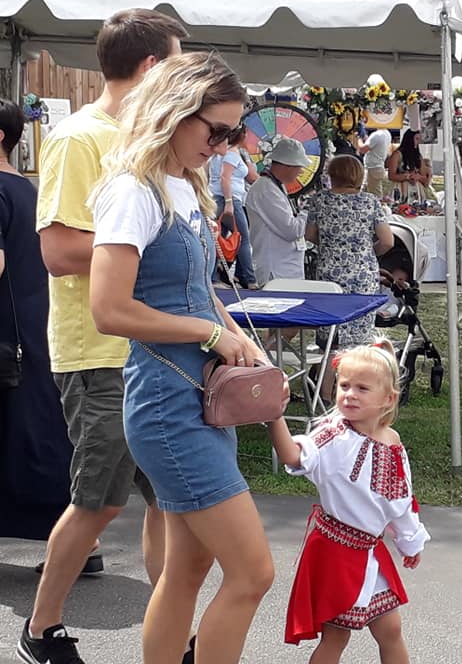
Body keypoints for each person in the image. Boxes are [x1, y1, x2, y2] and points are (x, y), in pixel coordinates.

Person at [88, 52, 274, 664]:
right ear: (173, 110)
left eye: (233, 133)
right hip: (170, 407)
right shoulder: (132, 190)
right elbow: (109, 310)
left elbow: (193, 289)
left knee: (187, 571)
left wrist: (229, 331)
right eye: (214, 130)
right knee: (252, 573)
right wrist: (211, 333)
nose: (223, 145)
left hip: (194, 401)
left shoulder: (180, 185)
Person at [21, 8, 186, 664]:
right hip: (100, 350)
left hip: (153, 347)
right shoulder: (79, 137)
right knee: (98, 503)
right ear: (151, 68)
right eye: (177, 64)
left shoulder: (152, 142)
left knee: (168, 501)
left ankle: (167, 633)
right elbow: (58, 249)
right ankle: (42, 628)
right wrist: (150, 242)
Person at [266, 340, 429, 664]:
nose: (350, 393)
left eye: (362, 388)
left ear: (388, 399)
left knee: (391, 630)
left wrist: (411, 542)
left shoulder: (392, 442)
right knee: (336, 637)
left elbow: (400, 500)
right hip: (335, 553)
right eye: (344, 385)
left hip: (370, 552)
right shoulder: (332, 435)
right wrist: (274, 416)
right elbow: (294, 456)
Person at [0, 100, 72, 544]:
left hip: (7, 332)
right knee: (38, 431)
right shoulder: (30, 189)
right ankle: (78, 538)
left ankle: (74, 537)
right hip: (35, 326)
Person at [305, 154, 394, 347]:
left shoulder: (319, 200)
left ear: (332, 175)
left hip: (329, 273)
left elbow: (310, 235)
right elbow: (388, 241)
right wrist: (369, 252)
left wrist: (330, 244)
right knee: (360, 337)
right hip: (362, 272)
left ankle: (327, 375)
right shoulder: (370, 202)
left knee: (330, 339)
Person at [245, 137, 310, 287]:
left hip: (284, 267)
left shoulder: (275, 186)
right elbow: (292, 230)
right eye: (299, 166)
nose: (301, 171)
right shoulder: (266, 189)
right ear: (287, 165)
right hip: (277, 270)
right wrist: (307, 211)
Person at [208, 123, 257, 289]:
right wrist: (229, 202)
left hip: (217, 197)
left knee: (216, 237)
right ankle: (249, 278)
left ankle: (213, 275)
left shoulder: (219, 155)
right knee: (242, 237)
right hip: (229, 199)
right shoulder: (233, 154)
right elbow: (225, 178)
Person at [386, 129, 431, 202]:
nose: (418, 142)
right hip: (401, 190)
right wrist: (407, 176)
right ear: (409, 139)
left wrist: (419, 177)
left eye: (419, 139)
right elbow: (391, 175)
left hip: (416, 192)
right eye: (416, 139)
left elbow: (425, 179)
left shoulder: (418, 156)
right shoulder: (397, 154)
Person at [358, 127, 393, 198]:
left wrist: (358, 138)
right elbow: (372, 144)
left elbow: (362, 149)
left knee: (375, 196)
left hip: (373, 168)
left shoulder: (377, 135)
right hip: (376, 167)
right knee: (364, 193)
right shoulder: (387, 133)